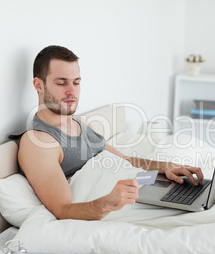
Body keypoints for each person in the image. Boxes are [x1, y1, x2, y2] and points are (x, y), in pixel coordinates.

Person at [18, 45, 204, 221]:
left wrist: (164, 168)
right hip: (118, 205)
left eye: (76, 82)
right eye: (61, 83)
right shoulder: (39, 142)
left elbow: (126, 161)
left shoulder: (80, 122)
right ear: (39, 85)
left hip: (138, 187)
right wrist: (108, 203)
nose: (72, 91)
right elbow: (62, 209)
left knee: (197, 193)